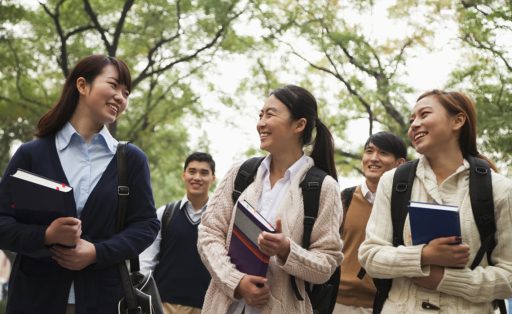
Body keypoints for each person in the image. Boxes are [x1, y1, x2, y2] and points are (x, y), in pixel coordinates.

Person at [0, 54, 159, 314]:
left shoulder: (131, 160)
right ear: (82, 86)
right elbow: (2, 221)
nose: (121, 97)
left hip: (105, 300)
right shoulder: (31, 154)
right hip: (34, 299)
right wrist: (46, 236)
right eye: (113, 85)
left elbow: (146, 225)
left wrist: (97, 252)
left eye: (126, 92)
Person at [358, 90, 512, 313]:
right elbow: (370, 256)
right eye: (412, 120)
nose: (414, 125)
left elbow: (508, 276)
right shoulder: (393, 181)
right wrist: (423, 256)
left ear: (457, 121)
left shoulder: (498, 188)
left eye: (424, 115)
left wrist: (446, 279)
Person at [197, 84, 343, 314]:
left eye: (270, 114)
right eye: (260, 115)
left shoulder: (323, 187)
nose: (261, 123)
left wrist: (287, 250)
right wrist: (236, 282)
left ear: (299, 124)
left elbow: (326, 265)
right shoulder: (241, 174)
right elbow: (209, 233)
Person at [334, 131, 406, 314]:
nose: (374, 158)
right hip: (337, 302)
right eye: (369, 151)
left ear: (400, 164)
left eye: (383, 153)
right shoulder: (344, 199)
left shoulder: (405, 209)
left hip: (384, 305)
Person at [140, 152, 216, 314]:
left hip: (207, 307)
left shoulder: (220, 219)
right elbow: (146, 261)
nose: (197, 177)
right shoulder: (165, 214)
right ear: (184, 175)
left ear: (213, 178)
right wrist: (145, 297)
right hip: (165, 305)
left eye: (204, 173)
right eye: (192, 171)